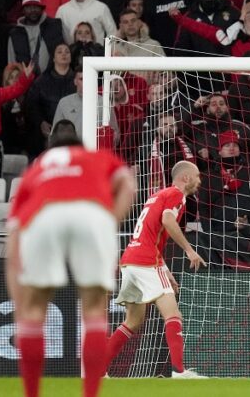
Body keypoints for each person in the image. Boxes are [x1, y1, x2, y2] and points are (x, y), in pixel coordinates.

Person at [5, 120, 135, 397]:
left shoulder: (36, 169)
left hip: (43, 215)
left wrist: (20, 308)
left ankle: (31, 394)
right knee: (94, 310)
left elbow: (14, 237)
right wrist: (110, 219)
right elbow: (128, 183)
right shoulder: (96, 157)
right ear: (80, 146)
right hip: (92, 214)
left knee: (33, 312)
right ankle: (89, 394)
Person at [106, 160, 207, 379]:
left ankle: (98, 369)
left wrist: (166, 271)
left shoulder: (157, 195)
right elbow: (168, 221)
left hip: (130, 260)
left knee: (133, 321)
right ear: (186, 178)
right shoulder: (176, 194)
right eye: (197, 176)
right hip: (146, 261)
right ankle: (179, 372)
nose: (200, 180)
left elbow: (152, 234)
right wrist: (189, 251)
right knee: (173, 314)